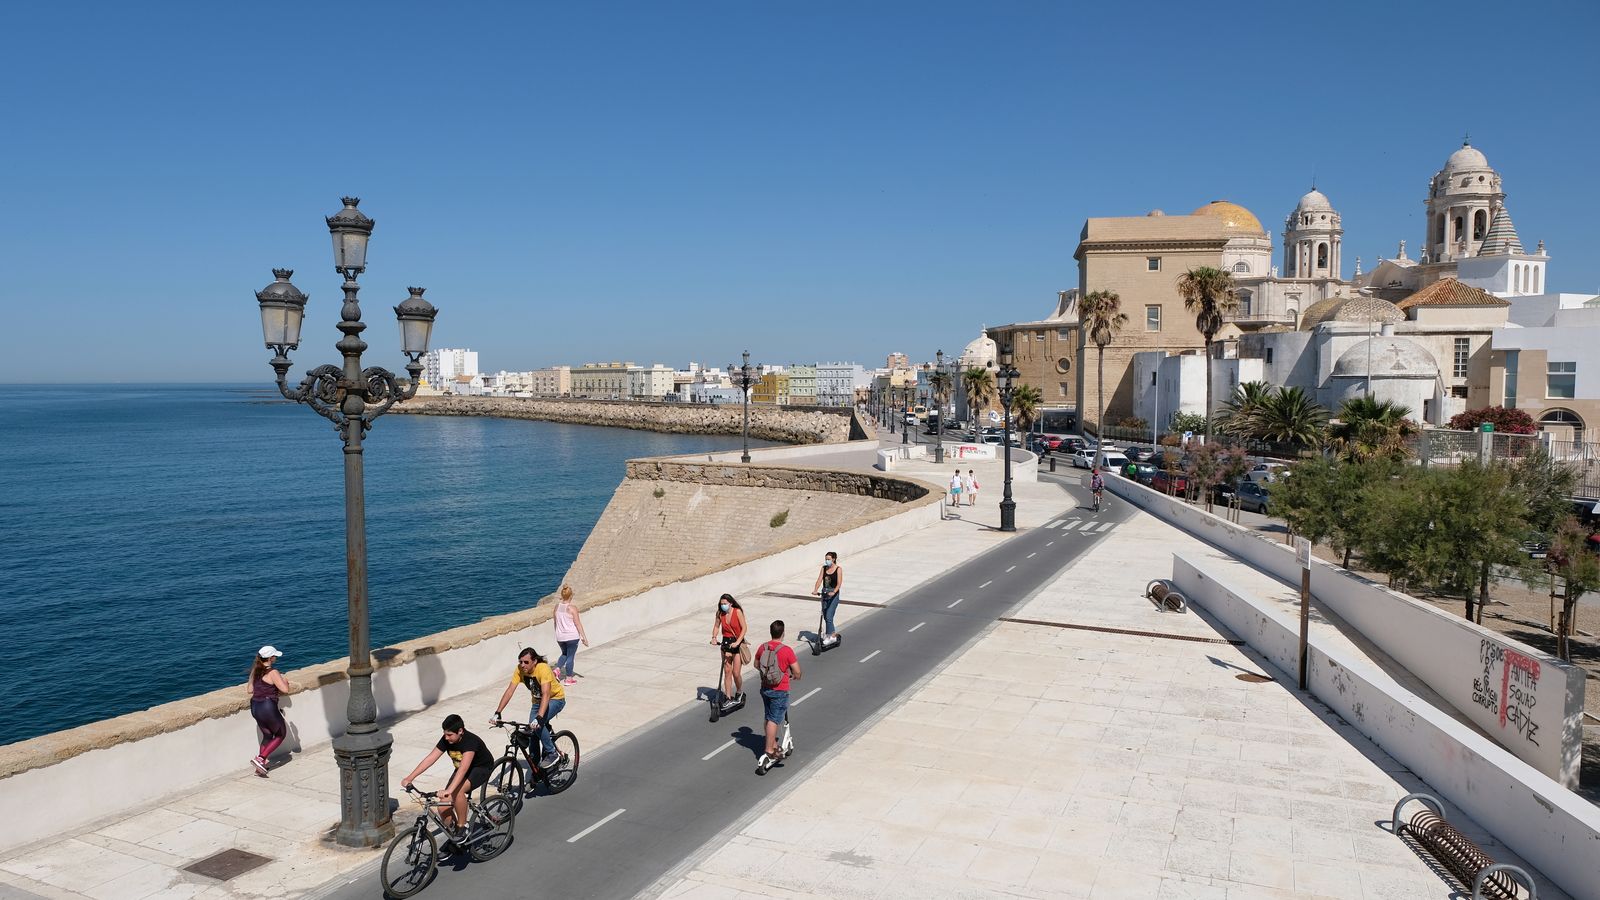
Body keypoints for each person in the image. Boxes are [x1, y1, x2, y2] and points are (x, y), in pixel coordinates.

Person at [401, 714, 493, 844]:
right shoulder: (446, 739)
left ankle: (463, 828)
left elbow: (463, 769)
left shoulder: (470, 741)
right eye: (445, 734)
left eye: (449, 735)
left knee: (457, 792)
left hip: (481, 768)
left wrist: (449, 790)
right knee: (442, 807)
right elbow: (430, 758)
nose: (446, 737)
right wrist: (410, 777)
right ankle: (455, 838)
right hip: (462, 769)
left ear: (460, 731)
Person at [492, 647, 566, 770]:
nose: (522, 665)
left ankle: (552, 753)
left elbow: (546, 694)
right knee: (533, 732)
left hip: (555, 699)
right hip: (537, 702)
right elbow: (510, 691)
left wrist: (539, 717)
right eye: (520, 661)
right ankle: (536, 768)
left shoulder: (543, 669)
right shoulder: (519, 670)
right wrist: (497, 713)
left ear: (534, 661)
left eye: (526, 662)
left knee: (537, 724)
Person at [754, 620, 801, 763]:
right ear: (783, 633)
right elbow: (797, 672)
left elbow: (756, 664)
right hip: (780, 690)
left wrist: (767, 675)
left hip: (765, 687)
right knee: (774, 720)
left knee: (768, 717)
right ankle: (769, 749)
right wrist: (794, 676)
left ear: (771, 632)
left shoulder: (763, 647)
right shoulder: (786, 650)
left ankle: (773, 745)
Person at [246, 645, 290, 777]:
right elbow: (285, 690)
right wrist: (285, 681)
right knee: (280, 734)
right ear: (270, 658)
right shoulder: (273, 672)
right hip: (267, 706)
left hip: (255, 706)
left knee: (267, 735)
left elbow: (249, 690)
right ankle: (260, 759)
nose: (276, 658)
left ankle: (260, 767)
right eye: (275, 656)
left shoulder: (255, 670)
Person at [709, 593, 748, 704]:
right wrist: (714, 637)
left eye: (725, 604)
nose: (723, 606)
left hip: (737, 643)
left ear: (731, 603)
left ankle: (739, 691)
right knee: (727, 671)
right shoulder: (720, 613)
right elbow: (716, 626)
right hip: (726, 643)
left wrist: (738, 642)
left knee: (736, 673)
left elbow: (744, 628)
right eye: (721, 604)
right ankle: (727, 696)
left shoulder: (737, 612)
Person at [552, 584, 589, 686]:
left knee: (564, 654)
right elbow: (578, 624)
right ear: (571, 596)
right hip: (572, 637)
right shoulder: (572, 608)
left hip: (560, 636)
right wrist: (584, 638)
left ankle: (557, 669)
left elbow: (555, 622)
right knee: (570, 657)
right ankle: (569, 679)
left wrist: (558, 634)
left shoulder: (556, 607)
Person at [812, 551, 843, 642]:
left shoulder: (838, 569)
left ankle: (830, 636)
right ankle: (832, 634)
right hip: (825, 593)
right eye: (826, 559)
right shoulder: (824, 568)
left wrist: (834, 592)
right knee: (825, 615)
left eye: (828, 559)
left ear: (833, 559)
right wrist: (815, 590)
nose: (827, 561)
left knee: (829, 615)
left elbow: (839, 583)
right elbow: (819, 579)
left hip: (833, 595)